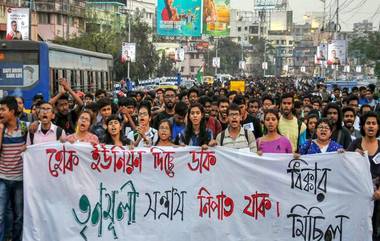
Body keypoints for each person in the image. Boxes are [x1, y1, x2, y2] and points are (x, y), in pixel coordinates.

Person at [347, 112, 380, 240]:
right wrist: (344, 154)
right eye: (368, 123)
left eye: (374, 123)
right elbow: (344, 164)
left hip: (377, 198)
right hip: (357, 197)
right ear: (363, 126)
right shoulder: (355, 144)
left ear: (378, 127)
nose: (371, 126)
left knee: (375, 230)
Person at [0, 96, 27, 241]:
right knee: (0, 215)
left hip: (20, 180)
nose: (0, 113)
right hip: (2, 178)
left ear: (12, 111)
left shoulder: (25, 127)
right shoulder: (0, 128)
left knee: (19, 215)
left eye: (3, 109)